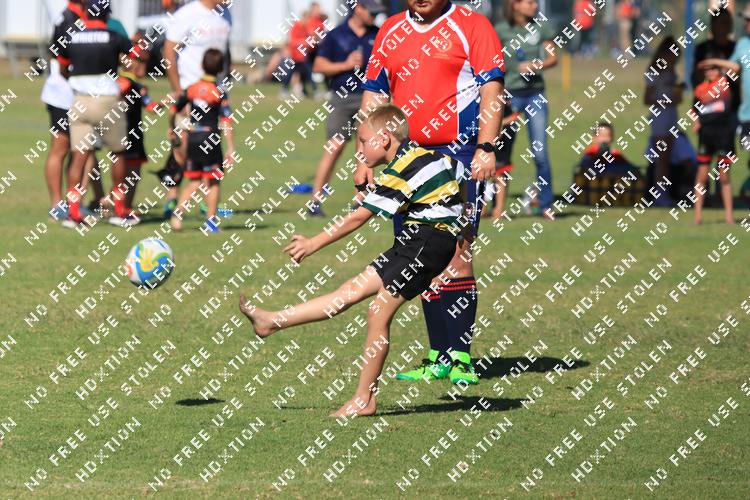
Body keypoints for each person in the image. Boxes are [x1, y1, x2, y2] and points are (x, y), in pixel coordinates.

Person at [240, 104, 466, 417]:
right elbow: (459, 174)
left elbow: (357, 218)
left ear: (384, 139)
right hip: (417, 240)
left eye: (363, 141)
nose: (359, 150)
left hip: (427, 243)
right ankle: (271, 322)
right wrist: (460, 218)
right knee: (349, 291)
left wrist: (312, 243)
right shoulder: (423, 157)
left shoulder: (401, 169)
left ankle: (364, 400)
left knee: (378, 312)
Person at [357, 0, 505, 385]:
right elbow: (374, 95)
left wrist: (486, 147)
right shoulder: (390, 29)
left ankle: (460, 357)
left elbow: (492, 90)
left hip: (458, 155)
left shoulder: (473, 25)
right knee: (418, 256)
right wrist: (363, 157)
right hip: (406, 160)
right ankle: (439, 356)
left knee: (457, 253)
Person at [57, 0, 134, 228]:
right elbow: (133, 61)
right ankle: (119, 210)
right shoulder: (114, 36)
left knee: (79, 157)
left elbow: (62, 68)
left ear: (86, 13)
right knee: (118, 154)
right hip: (107, 100)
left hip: (80, 100)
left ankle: (73, 213)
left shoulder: (72, 36)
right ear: (106, 14)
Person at [306, 0, 382, 217]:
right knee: (334, 146)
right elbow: (318, 66)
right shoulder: (336, 35)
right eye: (371, 12)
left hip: (370, 96)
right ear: (358, 8)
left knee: (365, 150)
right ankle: (315, 202)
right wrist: (345, 65)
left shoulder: (378, 34)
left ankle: (360, 201)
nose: (374, 16)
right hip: (342, 98)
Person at [162, 0, 231, 217]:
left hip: (214, 94)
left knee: (209, 149)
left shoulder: (226, 14)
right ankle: (172, 197)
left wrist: (225, 84)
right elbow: (169, 52)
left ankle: (206, 202)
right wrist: (178, 91)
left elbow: (225, 52)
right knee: (181, 149)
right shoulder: (187, 14)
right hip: (189, 92)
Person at [495, 0, 557, 220]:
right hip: (509, 97)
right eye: (529, 2)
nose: (534, 6)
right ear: (515, 5)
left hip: (535, 95)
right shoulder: (500, 30)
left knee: (540, 153)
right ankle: (495, 206)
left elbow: (553, 58)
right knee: (501, 152)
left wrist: (536, 65)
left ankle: (546, 204)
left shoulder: (542, 27)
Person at [168, 49, 235, 233]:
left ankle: (177, 214)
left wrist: (172, 129)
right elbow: (226, 120)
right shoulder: (219, 91)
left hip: (193, 137)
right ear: (221, 69)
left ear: (201, 66)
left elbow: (173, 110)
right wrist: (231, 147)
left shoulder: (192, 88)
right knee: (213, 181)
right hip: (210, 138)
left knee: (194, 181)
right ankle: (211, 223)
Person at [699, 4, 750, 199]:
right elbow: (734, 67)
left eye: (749, 20)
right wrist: (716, 64)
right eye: (745, 20)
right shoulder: (743, 44)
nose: (745, 24)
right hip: (746, 114)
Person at [41, 0, 85, 221]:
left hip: (76, 93)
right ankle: (57, 205)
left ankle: (75, 204)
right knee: (60, 148)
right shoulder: (68, 19)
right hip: (63, 95)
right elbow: (63, 62)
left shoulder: (79, 16)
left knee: (82, 150)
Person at [114, 42, 161, 225]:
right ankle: (120, 208)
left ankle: (124, 207)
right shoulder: (125, 83)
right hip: (126, 136)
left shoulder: (137, 86)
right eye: (140, 61)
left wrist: (167, 101)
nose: (144, 65)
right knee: (128, 175)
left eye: (145, 62)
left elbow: (151, 108)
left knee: (132, 175)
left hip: (133, 136)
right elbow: (151, 108)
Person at [692, 60, 735, 225]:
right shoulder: (700, 89)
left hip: (724, 135)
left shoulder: (726, 83)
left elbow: (735, 68)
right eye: (707, 69)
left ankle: (729, 216)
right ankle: (698, 216)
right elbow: (694, 109)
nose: (709, 72)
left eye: (713, 69)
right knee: (702, 175)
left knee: (724, 176)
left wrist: (714, 61)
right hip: (706, 135)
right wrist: (696, 122)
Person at [644, 36, 684, 207]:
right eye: (672, 56)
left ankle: (665, 193)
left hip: (671, 116)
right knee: (661, 158)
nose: (674, 60)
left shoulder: (672, 73)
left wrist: (678, 93)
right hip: (660, 118)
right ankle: (658, 195)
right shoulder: (653, 73)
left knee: (667, 158)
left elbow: (675, 96)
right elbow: (647, 99)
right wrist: (667, 102)